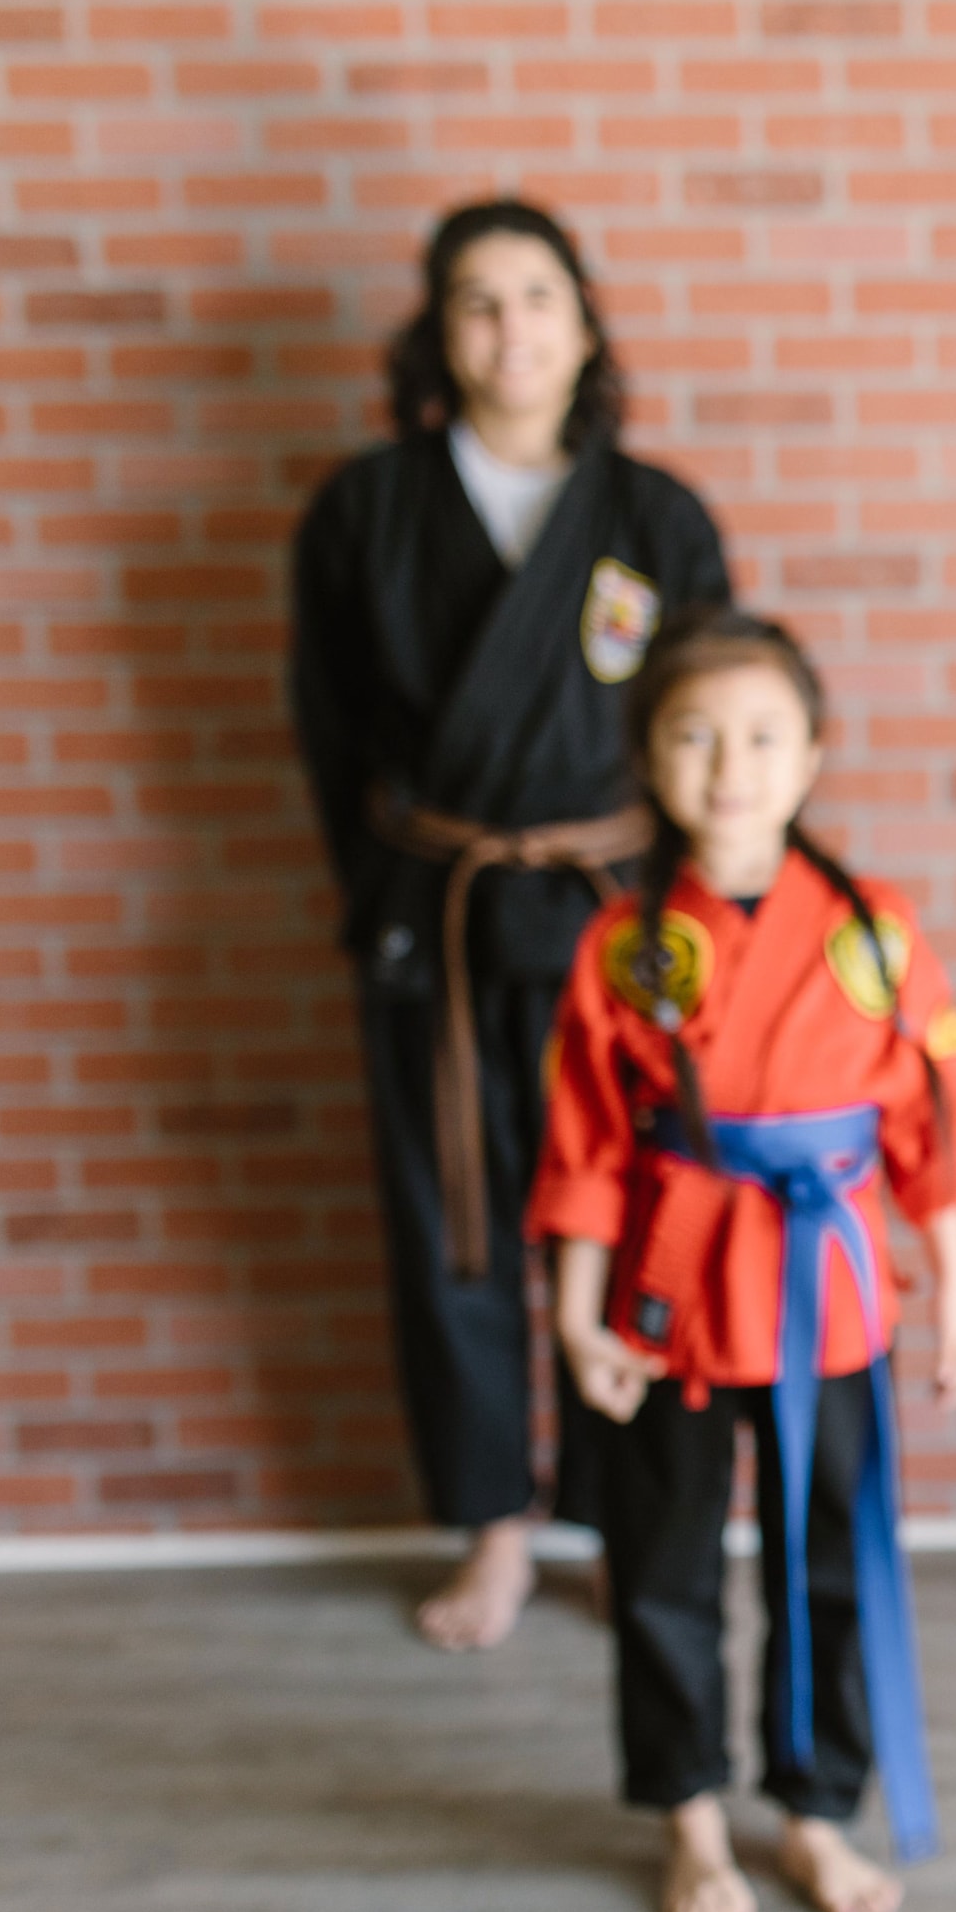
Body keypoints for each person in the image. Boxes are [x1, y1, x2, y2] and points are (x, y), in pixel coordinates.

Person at [527, 605, 956, 1912]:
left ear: (812, 757)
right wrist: (578, 1315)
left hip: (832, 1291)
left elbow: (934, 1121)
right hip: (674, 1291)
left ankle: (813, 1810)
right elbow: (583, 1138)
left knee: (830, 1564)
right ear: (649, 756)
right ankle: (689, 1815)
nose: (728, 766)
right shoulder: (623, 949)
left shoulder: (875, 928)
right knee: (665, 1562)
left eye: (760, 736)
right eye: (693, 735)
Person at [290, 200, 733, 1650]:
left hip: (615, 925)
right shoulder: (363, 512)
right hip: (444, 919)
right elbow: (329, 733)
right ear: (438, 335)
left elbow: (709, 729)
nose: (510, 329)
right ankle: (492, 1529)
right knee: (453, 1232)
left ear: (585, 322)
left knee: (634, 1218)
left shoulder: (654, 518)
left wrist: (703, 923)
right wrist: (386, 908)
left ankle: (611, 1523)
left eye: (537, 296)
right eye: (477, 303)